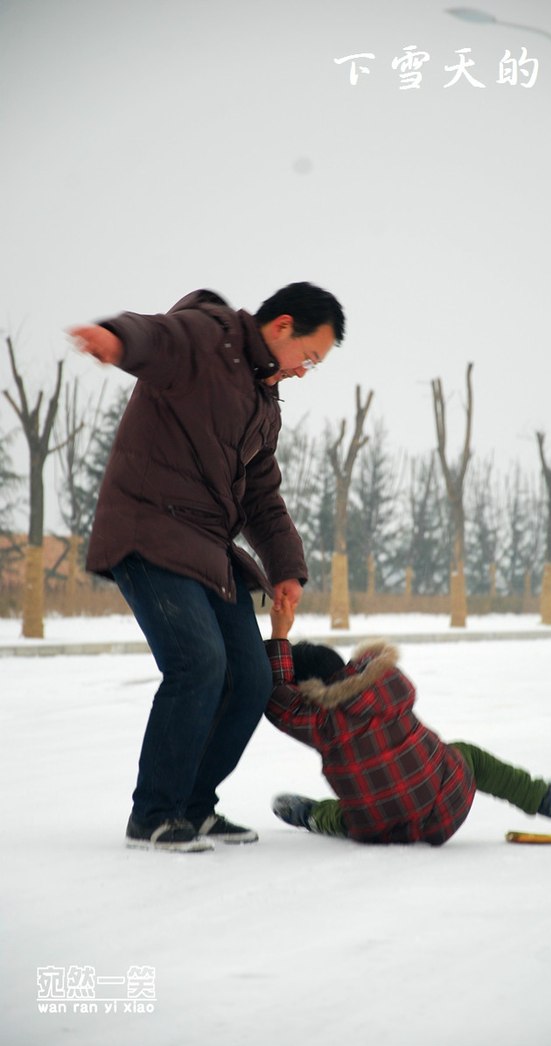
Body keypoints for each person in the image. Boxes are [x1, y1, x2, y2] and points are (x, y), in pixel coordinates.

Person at [70, 283, 345, 852]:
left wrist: (286, 567)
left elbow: (262, 498)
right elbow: (156, 336)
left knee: (251, 679)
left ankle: (194, 806)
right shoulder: (209, 336)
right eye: (310, 356)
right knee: (199, 664)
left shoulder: (263, 404)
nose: (305, 371)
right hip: (148, 530)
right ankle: (153, 813)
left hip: (208, 548)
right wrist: (115, 339)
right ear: (282, 325)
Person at [265, 598, 551, 845]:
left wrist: (278, 637)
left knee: (352, 812)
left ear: (307, 692)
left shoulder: (320, 722)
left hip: (378, 828)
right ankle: (543, 799)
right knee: (468, 756)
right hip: (447, 806)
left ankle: (309, 815)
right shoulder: (385, 685)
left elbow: (279, 701)